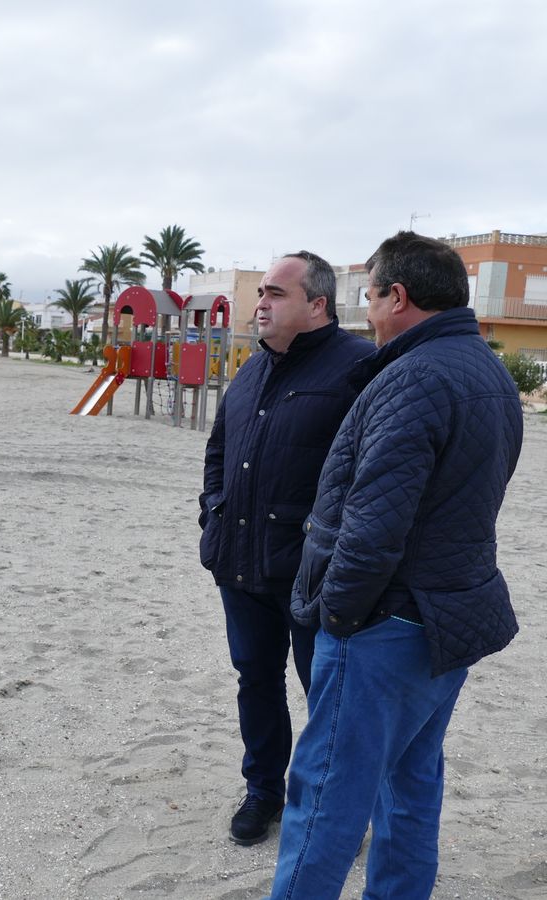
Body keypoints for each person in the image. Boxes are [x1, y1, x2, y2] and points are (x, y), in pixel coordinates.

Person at [269, 232, 523, 899]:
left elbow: (374, 527)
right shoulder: (487, 370)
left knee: (325, 798)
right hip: (448, 616)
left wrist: (341, 617)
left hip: (388, 623)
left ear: (398, 296)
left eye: (370, 294)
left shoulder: (414, 377)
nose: (368, 309)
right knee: (410, 787)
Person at [200, 251, 372, 846]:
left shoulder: (360, 366)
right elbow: (219, 450)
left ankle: (330, 806)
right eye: (261, 293)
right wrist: (212, 515)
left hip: (312, 574)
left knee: (326, 695)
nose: (261, 303)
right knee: (256, 680)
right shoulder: (253, 367)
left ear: (317, 304)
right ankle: (264, 793)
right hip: (240, 563)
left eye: (275, 293)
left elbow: (371, 474)